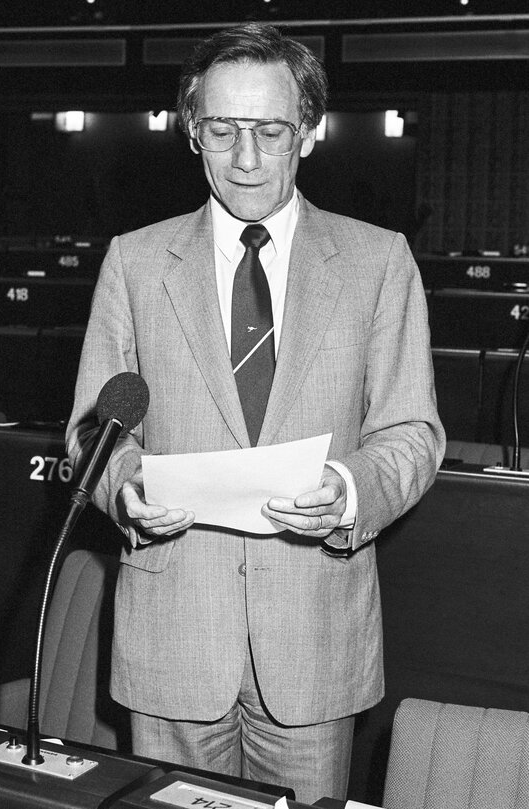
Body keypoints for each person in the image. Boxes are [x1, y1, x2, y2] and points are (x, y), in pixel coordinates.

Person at [66, 22, 445, 804]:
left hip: (312, 642)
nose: (244, 158)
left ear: (307, 133)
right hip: (172, 641)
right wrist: (123, 486)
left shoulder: (379, 262)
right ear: (190, 131)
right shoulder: (134, 261)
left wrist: (349, 488)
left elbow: (411, 431)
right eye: (222, 130)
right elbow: (92, 430)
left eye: (269, 131)